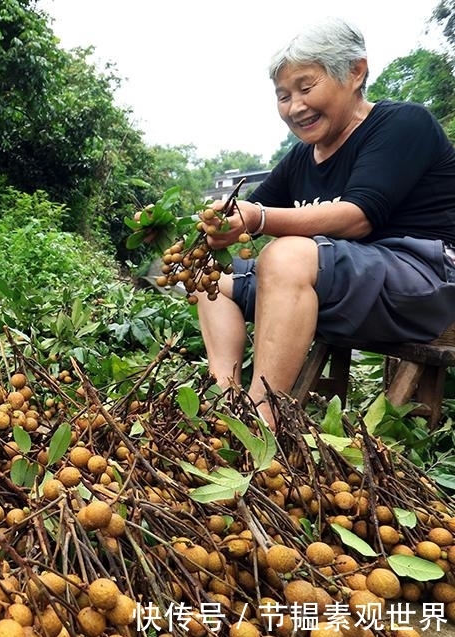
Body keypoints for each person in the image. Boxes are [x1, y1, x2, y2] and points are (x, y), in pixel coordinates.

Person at [195, 17, 455, 428]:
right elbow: (243, 216)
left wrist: (258, 219)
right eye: (283, 95)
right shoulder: (302, 157)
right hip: (341, 280)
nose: (295, 106)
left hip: (423, 279)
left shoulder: (403, 124)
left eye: (306, 87)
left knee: (287, 255)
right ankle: (227, 399)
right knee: (208, 277)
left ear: (355, 72)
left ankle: (262, 421)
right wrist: (216, 227)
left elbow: (358, 218)